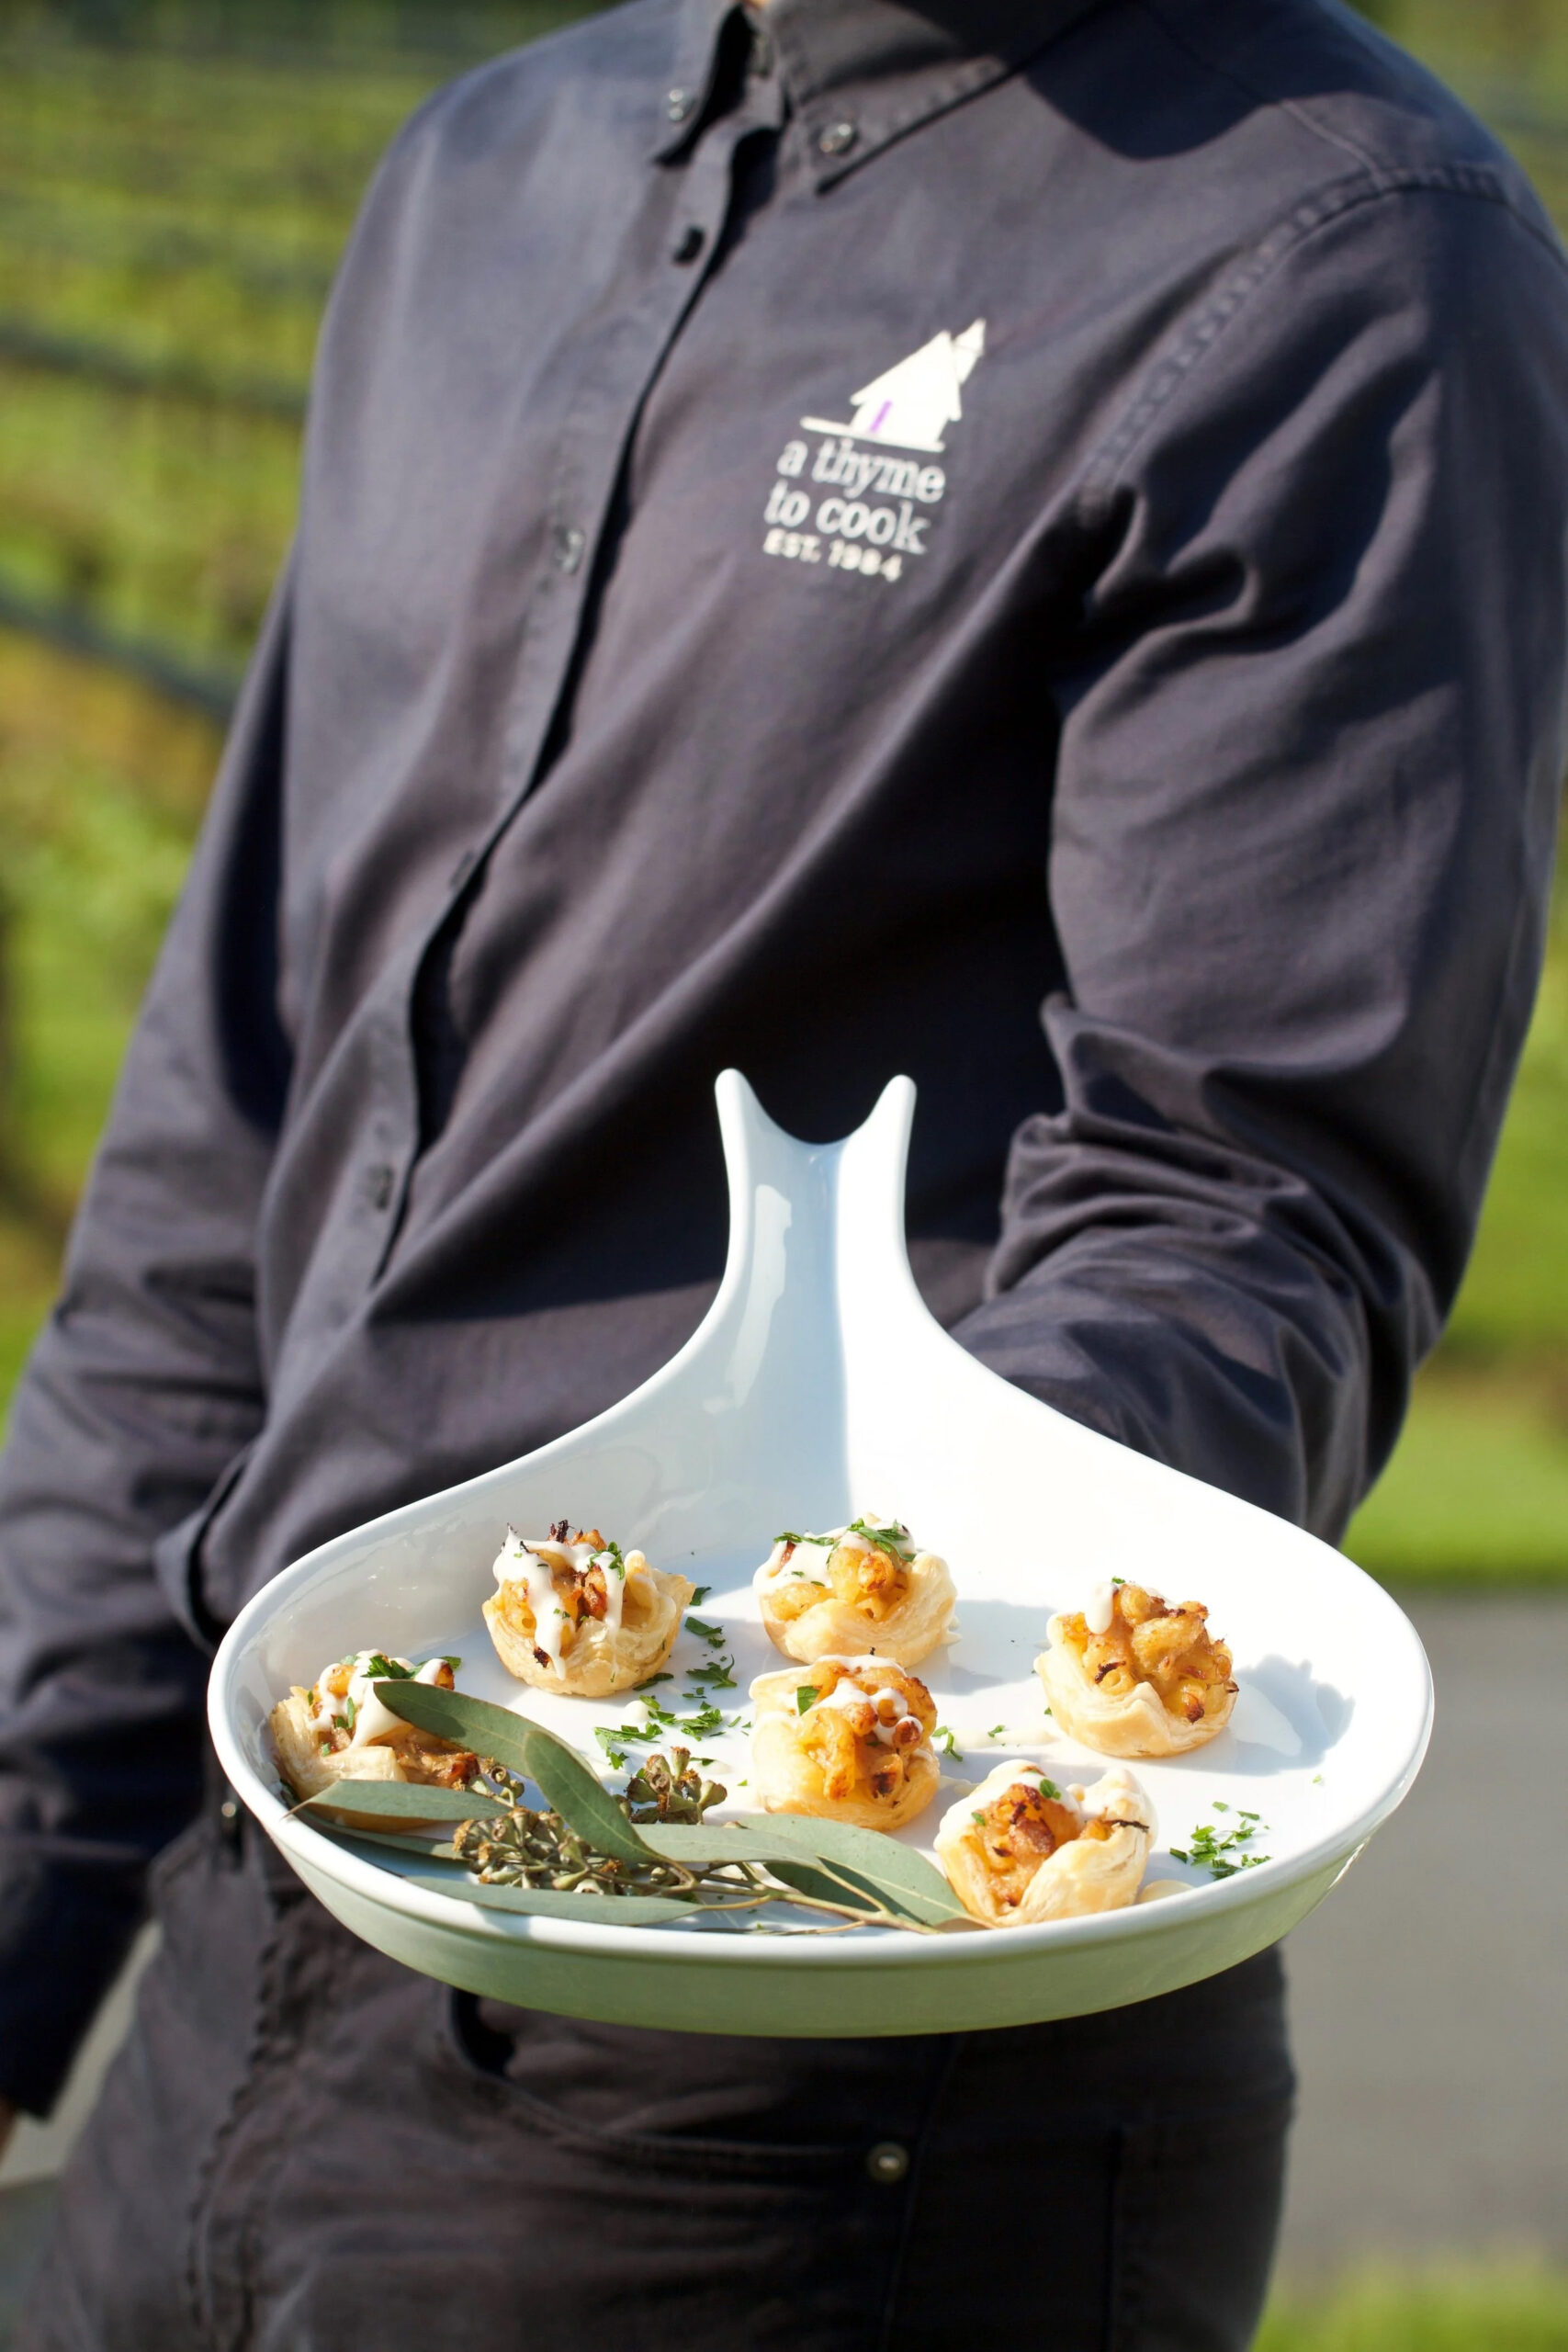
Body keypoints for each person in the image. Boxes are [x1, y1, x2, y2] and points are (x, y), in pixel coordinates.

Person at [3, 0, 1565, 2343]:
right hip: (263, 1938)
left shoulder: (1339, 251)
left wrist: (776, 1714)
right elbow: (233, 1151)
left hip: (798, 2112)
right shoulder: (480, 177)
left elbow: (1231, 1221)